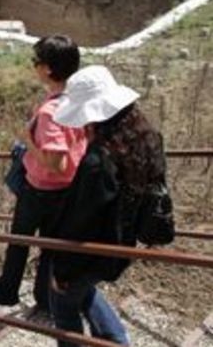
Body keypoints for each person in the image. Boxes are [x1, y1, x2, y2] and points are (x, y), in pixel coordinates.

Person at [0, 35, 87, 311]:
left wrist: (28, 141)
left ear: (48, 69)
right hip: (67, 190)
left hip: (41, 189)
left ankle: (6, 290)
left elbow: (57, 162)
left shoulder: (50, 111)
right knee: (51, 248)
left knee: (20, 241)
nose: (33, 66)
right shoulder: (77, 100)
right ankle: (45, 299)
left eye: (36, 61)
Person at [44, 65, 140, 347]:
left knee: (63, 303)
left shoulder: (98, 162)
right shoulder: (141, 139)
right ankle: (116, 339)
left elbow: (81, 221)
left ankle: (112, 341)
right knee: (84, 290)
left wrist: (61, 272)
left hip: (91, 248)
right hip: (121, 240)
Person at [55, 65, 168, 249]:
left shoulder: (99, 159)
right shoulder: (148, 137)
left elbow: (83, 218)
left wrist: (62, 268)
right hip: (127, 237)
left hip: (95, 250)